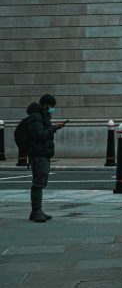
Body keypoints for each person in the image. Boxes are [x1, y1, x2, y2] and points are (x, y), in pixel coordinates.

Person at [25, 94, 68, 223]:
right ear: (45, 105)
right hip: (39, 155)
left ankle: (36, 211)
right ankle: (36, 211)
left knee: (40, 182)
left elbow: (43, 131)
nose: (52, 109)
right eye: (51, 107)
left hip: (43, 154)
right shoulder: (36, 117)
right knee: (38, 184)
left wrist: (53, 127)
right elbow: (39, 135)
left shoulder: (42, 116)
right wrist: (54, 128)